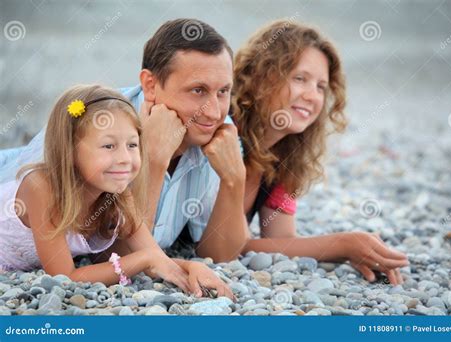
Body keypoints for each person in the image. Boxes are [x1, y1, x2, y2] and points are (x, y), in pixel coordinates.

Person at [0, 19, 249, 263]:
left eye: (223, 92)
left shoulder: (217, 133)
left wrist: (234, 180)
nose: (214, 112)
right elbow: (113, 257)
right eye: (198, 91)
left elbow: (219, 256)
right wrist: (153, 160)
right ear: (150, 85)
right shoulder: (94, 121)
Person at [0, 84, 233, 299]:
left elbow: (155, 258)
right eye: (109, 146)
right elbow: (65, 277)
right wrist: (144, 259)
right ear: (70, 151)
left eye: (132, 145)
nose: (124, 159)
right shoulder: (42, 186)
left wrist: (193, 267)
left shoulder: (117, 194)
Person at [229, 21, 408, 285]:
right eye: (300, 79)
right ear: (260, 77)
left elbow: (280, 240)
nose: (312, 96)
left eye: (321, 87)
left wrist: (348, 249)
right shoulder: (222, 132)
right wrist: (341, 244)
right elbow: (232, 246)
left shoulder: (284, 156)